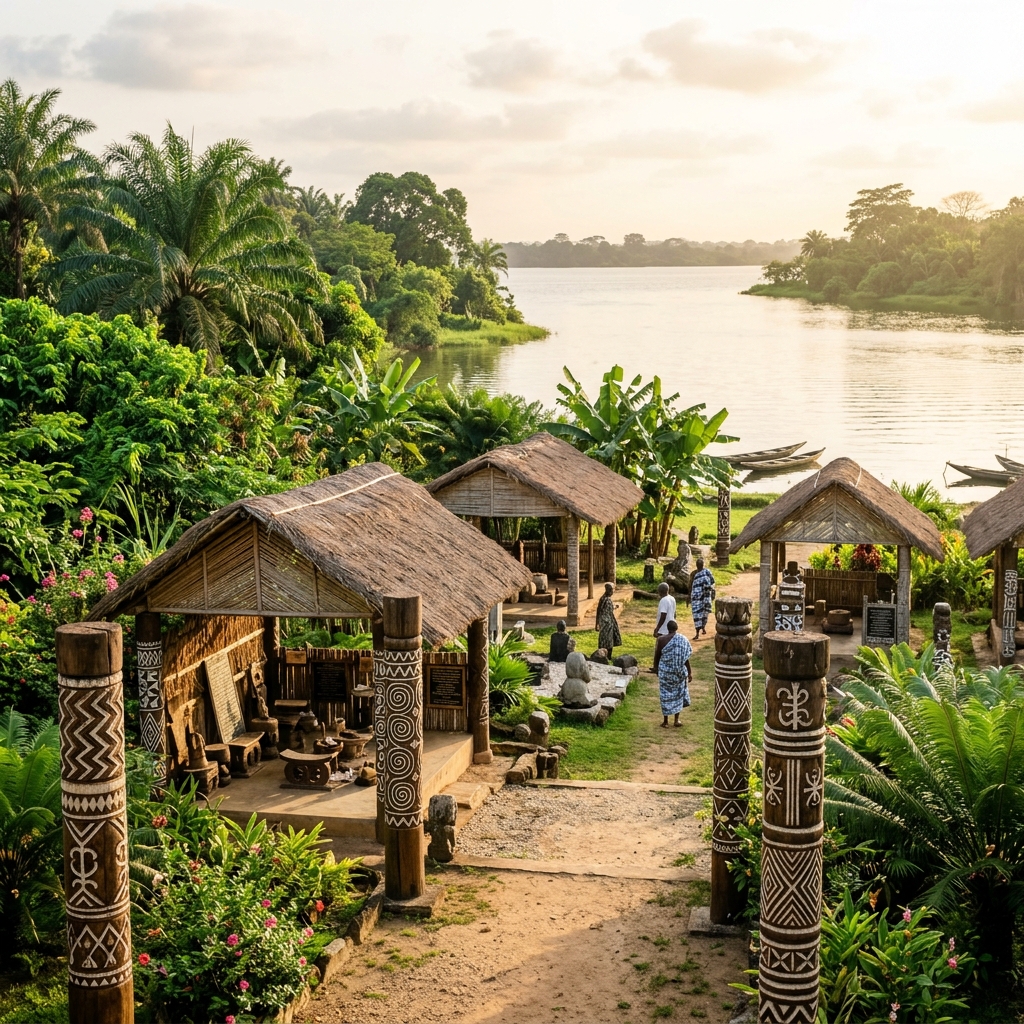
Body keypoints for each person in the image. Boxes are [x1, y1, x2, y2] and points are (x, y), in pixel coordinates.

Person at [657, 621, 692, 728]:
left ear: (667, 628)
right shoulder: (683, 640)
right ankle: (676, 720)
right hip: (679, 673)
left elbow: (657, 656)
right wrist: (689, 672)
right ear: (676, 628)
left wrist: (656, 669)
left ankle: (665, 721)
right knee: (678, 694)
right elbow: (686, 659)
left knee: (665, 695)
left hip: (665, 672)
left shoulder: (661, 639)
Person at [689, 558, 715, 640]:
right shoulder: (694, 574)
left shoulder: (707, 572)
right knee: (697, 615)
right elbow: (691, 586)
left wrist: (710, 590)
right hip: (697, 599)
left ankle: (702, 628)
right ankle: (697, 632)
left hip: (705, 598)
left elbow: (712, 583)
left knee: (703, 614)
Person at [595, 582, 622, 659]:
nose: (612, 591)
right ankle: (604, 656)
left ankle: (607, 656)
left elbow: (609, 608)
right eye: (612, 590)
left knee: (609, 640)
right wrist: (597, 623)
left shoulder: (607, 599)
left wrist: (615, 606)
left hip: (609, 622)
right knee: (606, 640)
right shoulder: (604, 599)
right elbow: (599, 610)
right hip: (606, 623)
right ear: (608, 590)